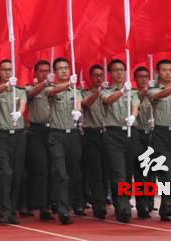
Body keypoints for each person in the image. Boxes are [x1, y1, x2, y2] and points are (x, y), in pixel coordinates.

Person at [45, 57, 83, 225]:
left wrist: (78, 112)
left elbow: (79, 103)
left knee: (74, 173)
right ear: (55, 72)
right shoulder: (51, 88)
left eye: (66, 68)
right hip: (56, 135)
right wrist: (69, 84)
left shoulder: (76, 90)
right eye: (60, 68)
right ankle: (63, 211)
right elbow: (50, 93)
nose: (64, 71)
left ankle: (65, 201)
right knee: (62, 174)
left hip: (73, 135)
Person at [147, 59, 171, 222]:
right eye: (164, 70)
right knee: (165, 172)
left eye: (170, 69)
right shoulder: (153, 89)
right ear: (158, 72)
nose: (168, 72)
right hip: (159, 134)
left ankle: (165, 209)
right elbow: (158, 95)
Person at [0, 60, 27, 225]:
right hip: (1, 136)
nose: (7, 72)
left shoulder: (19, 90)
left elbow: (23, 103)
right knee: (5, 173)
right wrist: (5, 86)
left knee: (17, 175)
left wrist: (19, 112)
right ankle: (3, 211)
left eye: (10, 70)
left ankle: (11, 210)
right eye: (4, 70)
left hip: (18, 136)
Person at [102, 59, 140, 223]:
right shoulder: (105, 90)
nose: (119, 72)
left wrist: (133, 116)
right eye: (116, 70)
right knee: (118, 171)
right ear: (110, 73)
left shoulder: (133, 91)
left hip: (130, 133)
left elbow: (135, 105)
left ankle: (121, 202)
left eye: (122, 70)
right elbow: (108, 100)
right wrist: (123, 91)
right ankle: (124, 207)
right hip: (113, 134)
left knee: (128, 172)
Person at [25, 60, 55, 221]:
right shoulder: (32, 87)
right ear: (35, 73)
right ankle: (42, 206)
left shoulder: (51, 88)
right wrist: (44, 83)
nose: (44, 73)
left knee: (52, 168)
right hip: (36, 131)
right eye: (41, 71)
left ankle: (51, 203)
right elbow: (30, 94)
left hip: (53, 131)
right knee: (41, 167)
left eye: (47, 71)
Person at [80, 64, 108, 220]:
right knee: (95, 171)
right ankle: (99, 205)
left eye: (101, 75)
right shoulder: (85, 93)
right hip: (91, 134)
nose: (99, 78)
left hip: (108, 134)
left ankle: (106, 198)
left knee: (107, 171)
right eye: (96, 75)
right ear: (90, 77)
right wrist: (98, 92)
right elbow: (86, 104)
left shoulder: (108, 93)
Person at [133, 66, 155, 218]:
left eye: (146, 76)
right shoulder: (133, 94)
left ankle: (150, 201)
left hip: (153, 134)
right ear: (135, 79)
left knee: (153, 171)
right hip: (137, 134)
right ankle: (142, 206)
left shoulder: (153, 93)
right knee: (141, 171)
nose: (144, 79)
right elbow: (137, 100)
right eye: (140, 76)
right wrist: (145, 92)